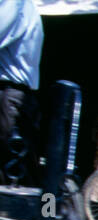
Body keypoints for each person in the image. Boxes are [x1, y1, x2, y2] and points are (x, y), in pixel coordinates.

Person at [0, 0, 42, 186]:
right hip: (16, 94)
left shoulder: (13, 3)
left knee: (8, 160)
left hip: (9, 93)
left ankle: (45, 211)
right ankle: (45, 210)